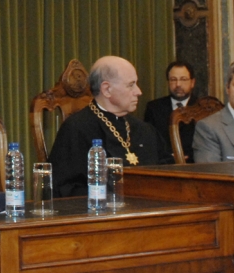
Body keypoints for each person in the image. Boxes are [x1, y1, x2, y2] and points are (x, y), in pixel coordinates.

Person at [49, 55, 171, 196]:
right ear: (107, 89)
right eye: (131, 85)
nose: (139, 92)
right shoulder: (76, 129)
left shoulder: (145, 130)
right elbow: (65, 188)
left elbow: (167, 172)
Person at [143, 60, 203, 160]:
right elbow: (149, 141)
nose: (178, 84)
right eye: (173, 79)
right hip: (163, 165)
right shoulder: (154, 108)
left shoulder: (202, 108)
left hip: (195, 165)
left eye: (183, 79)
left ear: (192, 82)